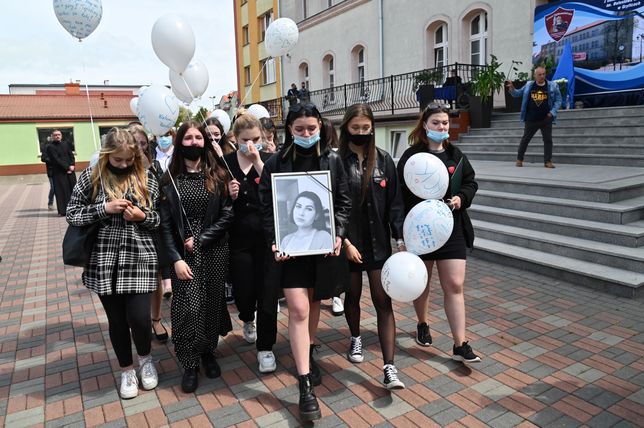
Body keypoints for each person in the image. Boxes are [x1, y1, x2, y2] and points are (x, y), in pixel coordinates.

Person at [258, 102, 351, 422]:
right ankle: (304, 383)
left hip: (323, 247)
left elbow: (343, 201)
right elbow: (266, 206)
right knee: (297, 308)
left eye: (312, 129)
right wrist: (275, 239)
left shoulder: (334, 159)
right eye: (300, 130)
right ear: (290, 131)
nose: (307, 134)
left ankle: (309, 349)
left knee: (313, 304)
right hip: (291, 250)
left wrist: (338, 232)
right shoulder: (275, 163)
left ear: (321, 128)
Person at [66, 127, 160, 399]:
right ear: (107, 155)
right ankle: (126, 370)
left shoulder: (146, 177)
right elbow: (72, 213)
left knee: (141, 320)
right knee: (117, 321)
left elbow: (158, 220)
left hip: (139, 257)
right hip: (104, 262)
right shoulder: (92, 176)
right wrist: (103, 209)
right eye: (117, 160)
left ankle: (145, 360)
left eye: (129, 160)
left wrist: (141, 216)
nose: (123, 165)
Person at [397, 104, 481, 364]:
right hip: (420, 230)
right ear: (425, 125)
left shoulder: (457, 156)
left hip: (451, 228)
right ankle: (422, 323)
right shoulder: (411, 157)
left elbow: (471, 182)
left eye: (445, 123)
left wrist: (461, 198)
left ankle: (460, 343)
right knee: (422, 282)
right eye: (436, 123)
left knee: (454, 285)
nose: (441, 127)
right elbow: (398, 197)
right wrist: (399, 236)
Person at [159, 121, 234, 393]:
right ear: (179, 142)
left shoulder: (218, 175)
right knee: (188, 307)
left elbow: (227, 214)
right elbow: (165, 225)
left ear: (206, 141)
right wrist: (175, 259)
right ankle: (189, 362)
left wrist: (202, 238)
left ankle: (207, 352)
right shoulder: (169, 180)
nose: (194, 142)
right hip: (183, 256)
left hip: (214, 249)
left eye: (198, 138)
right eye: (188, 138)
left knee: (212, 303)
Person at [338, 104, 406, 389]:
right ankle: (355, 338)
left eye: (366, 129)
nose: (362, 133)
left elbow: (395, 204)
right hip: (350, 245)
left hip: (379, 246)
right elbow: (331, 207)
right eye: (356, 128)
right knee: (352, 297)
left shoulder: (384, 160)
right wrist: (344, 242)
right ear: (346, 129)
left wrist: (400, 238)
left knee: (383, 301)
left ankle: (389, 367)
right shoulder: (335, 161)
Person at [224, 112, 278, 373]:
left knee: (268, 294)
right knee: (244, 292)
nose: (251, 144)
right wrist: (228, 195)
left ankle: (266, 348)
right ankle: (247, 317)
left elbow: (278, 193)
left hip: (266, 239)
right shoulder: (224, 163)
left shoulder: (268, 161)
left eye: (256, 139)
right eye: (246, 140)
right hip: (238, 238)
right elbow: (214, 203)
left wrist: (258, 161)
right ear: (235, 138)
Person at [128, 124, 171, 344]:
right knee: (134, 281)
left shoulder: (153, 167)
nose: (139, 147)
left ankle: (156, 319)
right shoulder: (119, 167)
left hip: (151, 229)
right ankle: (138, 320)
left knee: (154, 278)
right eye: (135, 143)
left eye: (143, 144)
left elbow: (163, 194)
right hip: (127, 235)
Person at [506, 66, 562, 169]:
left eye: (544, 74)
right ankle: (519, 159)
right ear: (535, 75)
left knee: (548, 140)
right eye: (540, 74)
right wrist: (512, 89)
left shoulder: (552, 86)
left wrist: (552, 112)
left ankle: (548, 161)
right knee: (525, 139)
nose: (542, 76)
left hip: (546, 118)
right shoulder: (529, 85)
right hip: (531, 118)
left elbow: (559, 100)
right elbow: (517, 94)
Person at [320, 118, 344, 316]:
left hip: (332, 214)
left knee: (333, 258)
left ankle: (336, 295)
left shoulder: (335, 157)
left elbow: (342, 193)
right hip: (317, 212)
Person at [46, 129, 77, 216]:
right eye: (55, 135)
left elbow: (71, 155)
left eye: (59, 134)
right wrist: (67, 167)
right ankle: (63, 211)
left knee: (73, 190)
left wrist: (72, 165)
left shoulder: (66, 144)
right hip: (59, 173)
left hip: (70, 171)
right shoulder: (50, 147)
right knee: (62, 192)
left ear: (61, 135)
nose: (57, 136)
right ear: (52, 136)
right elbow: (56, 160)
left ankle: (75, 209)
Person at [40, 136, 55, 210]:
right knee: (53, 188)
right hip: (51, 171)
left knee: (62, 188)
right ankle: (50, 203)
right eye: (54, 136)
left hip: (61, 171)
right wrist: (53, 160)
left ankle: (62, 204)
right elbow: (43, 158)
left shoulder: (60, 145)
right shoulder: (47, 147)